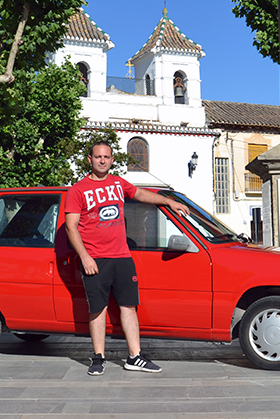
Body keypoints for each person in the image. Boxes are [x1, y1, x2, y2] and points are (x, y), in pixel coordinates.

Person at [64, 140, 190, 376]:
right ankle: (98, 357)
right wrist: (85, 257)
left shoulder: (118, 183)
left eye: (107, 157)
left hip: (122, 256)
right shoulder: (77, 190)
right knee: (98, 309)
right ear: (90, 160)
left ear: (112, 160)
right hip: (95, 258)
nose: (102, 160)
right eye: (98, 156)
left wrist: (169, 201)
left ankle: (135, 357)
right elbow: (71, 228)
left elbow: (141, 194)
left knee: (129, 307)